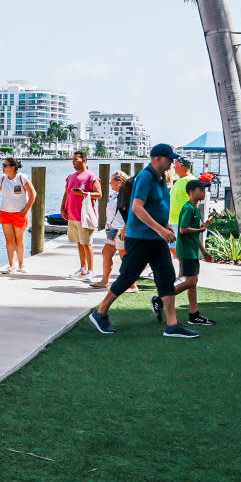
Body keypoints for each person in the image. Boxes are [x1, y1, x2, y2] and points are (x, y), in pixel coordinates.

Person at [88, 144, 200, 338]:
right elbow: (137, 207)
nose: (172, 162)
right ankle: (100, 312)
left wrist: (165, 226)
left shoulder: (160, 178)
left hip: (156, 239)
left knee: (166, 277)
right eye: (169, 158)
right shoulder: (146, 177)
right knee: (128, 277)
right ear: (157, 159)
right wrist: (160, 229)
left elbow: (157, 206)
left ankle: (172, 325)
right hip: (140, 238)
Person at [165, 179, 217, 325]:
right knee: (190, 281)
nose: (203, 193)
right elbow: (183, 229)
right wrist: (201, 229)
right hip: (187, 251)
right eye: (201, 190)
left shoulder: (195, 209)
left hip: (192, 251)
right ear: (191, 192)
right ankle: (161, 298)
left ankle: (194, 314)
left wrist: (204, 252)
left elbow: (195, 234)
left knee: (193, 283)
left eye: (204, 190)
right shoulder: (188, 208)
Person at [60, 151, 101, 280]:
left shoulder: (91, 177)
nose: (73, 161)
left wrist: (84, 194)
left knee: (87, 243)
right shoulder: (71, 176)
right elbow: (66, 193)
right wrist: (62, 207)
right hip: (72, 215)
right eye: (73, 159)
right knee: (79, 243)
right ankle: (83, 269)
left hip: (85, 216)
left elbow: (99, 194)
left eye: (76, 159)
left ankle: (91, 271)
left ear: (84, 160)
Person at [0, 158, 35, 274]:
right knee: (9, 240)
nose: (3, 167)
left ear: (12, 167)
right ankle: (11, 266)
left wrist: (25, 210)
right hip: (5, 212)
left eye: (5, 165)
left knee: (19, 240)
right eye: (3, 165)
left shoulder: (22, 178)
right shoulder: (3, 178)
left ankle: (21, 265)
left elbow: (33, 194)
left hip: (20, 213)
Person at [91, 171, 128, 289]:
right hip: (112, 230)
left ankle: (132, 285)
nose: (109, 183)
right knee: (106, 253)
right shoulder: (116, 194)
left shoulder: (126, 195)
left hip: (121, 230)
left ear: (119, 182)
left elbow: (131, 213)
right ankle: (104, 281)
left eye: (111, 181)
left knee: (125, 258)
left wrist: (125, 228)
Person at [168, 157, 193, 260]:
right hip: (174, 221)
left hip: (182, 222)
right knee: (172, 246)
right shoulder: (180, 180)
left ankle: (185, 268)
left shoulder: (190, 181)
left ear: (181, 165)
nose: (174, 167)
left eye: (176, 165)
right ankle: (183, 267)